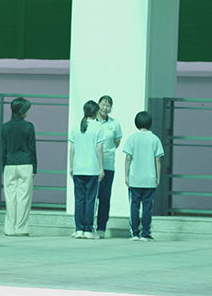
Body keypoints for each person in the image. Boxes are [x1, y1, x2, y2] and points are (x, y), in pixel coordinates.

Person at [123, 111, 165, 241]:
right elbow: (158, 159)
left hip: (135, 178)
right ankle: (146, 233)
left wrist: (126, 176)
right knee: (147, 206)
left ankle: (135, 233)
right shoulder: (155, 139)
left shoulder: (132, 138)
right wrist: (158, 177)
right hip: (149, 179)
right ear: (150, 123)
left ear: (136, 122)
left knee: (134, 205)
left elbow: (128, 158)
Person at [68, 100, 105, 239]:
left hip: (78, 168)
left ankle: (79, 229)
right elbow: (99, 149)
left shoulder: (76, 127)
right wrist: (101, 168)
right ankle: (88, 230)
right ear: (96, 112)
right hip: (92, 169)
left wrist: (71, 166)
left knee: (79, 199)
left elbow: (72, 149)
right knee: (90, 199)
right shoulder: (98, 127)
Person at [0, 97, 37, 237]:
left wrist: (3, 165)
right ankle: (21, 229)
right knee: (24, 198)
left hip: (10, 164)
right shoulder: (29, 126)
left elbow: (3, 149)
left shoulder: (5, 126)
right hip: (26, 164)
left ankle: (9, 229)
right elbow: (32, 148)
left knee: (10, 198)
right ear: (23, 110)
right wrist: (35, 167)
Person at [96, 95, 122, 238]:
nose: (105, 108)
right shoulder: (91, 122)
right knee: (90, 198)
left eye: (108, 105)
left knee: (104, 198)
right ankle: (87, 226)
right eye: (103, 104)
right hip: (92, 165)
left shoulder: (115, 124)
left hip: (107, 165)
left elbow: (116, 143)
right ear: (98, 105)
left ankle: (101, 228)